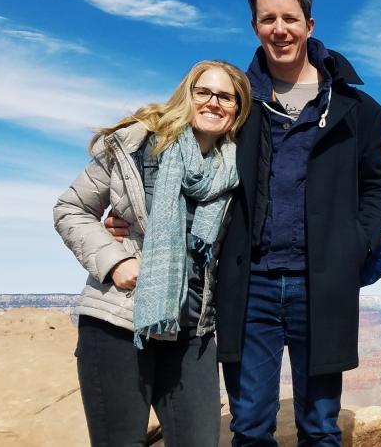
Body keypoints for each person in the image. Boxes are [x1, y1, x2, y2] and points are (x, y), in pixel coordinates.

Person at [106, 0, 381, 446]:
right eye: (267, 19)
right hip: (249, 286)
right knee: (251, 428)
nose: (279, 29)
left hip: (321, 285)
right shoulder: (237, 103)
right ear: (255, 27)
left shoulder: (356, 109)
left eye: (289, 18)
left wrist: (355, 243)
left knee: (322, 429)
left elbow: (377, 186)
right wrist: (130, 210)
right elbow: (182, 157)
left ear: (309, 24)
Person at [54, 60, 252, 446]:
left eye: (226, 97)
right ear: (187, 95)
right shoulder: (139, 144)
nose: (214, 102)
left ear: (238, 109)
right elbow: (70, 208)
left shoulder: (234, 169)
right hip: (121, 322)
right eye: (204, 92)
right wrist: (115, 262)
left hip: (193, 330)